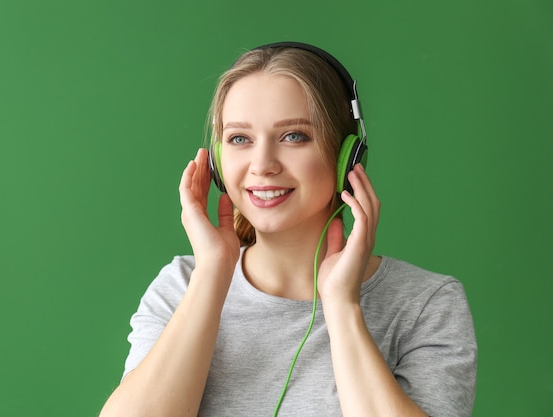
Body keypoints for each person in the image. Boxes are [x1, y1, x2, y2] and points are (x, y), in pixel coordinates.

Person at [99, 42, 477, 417]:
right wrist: (213, 272)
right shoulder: (181, 286)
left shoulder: (426, 304)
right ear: (216, 161)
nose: (262, 164)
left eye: (294, 136)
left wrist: (343, 306)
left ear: (347, 155)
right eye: (239, 139)